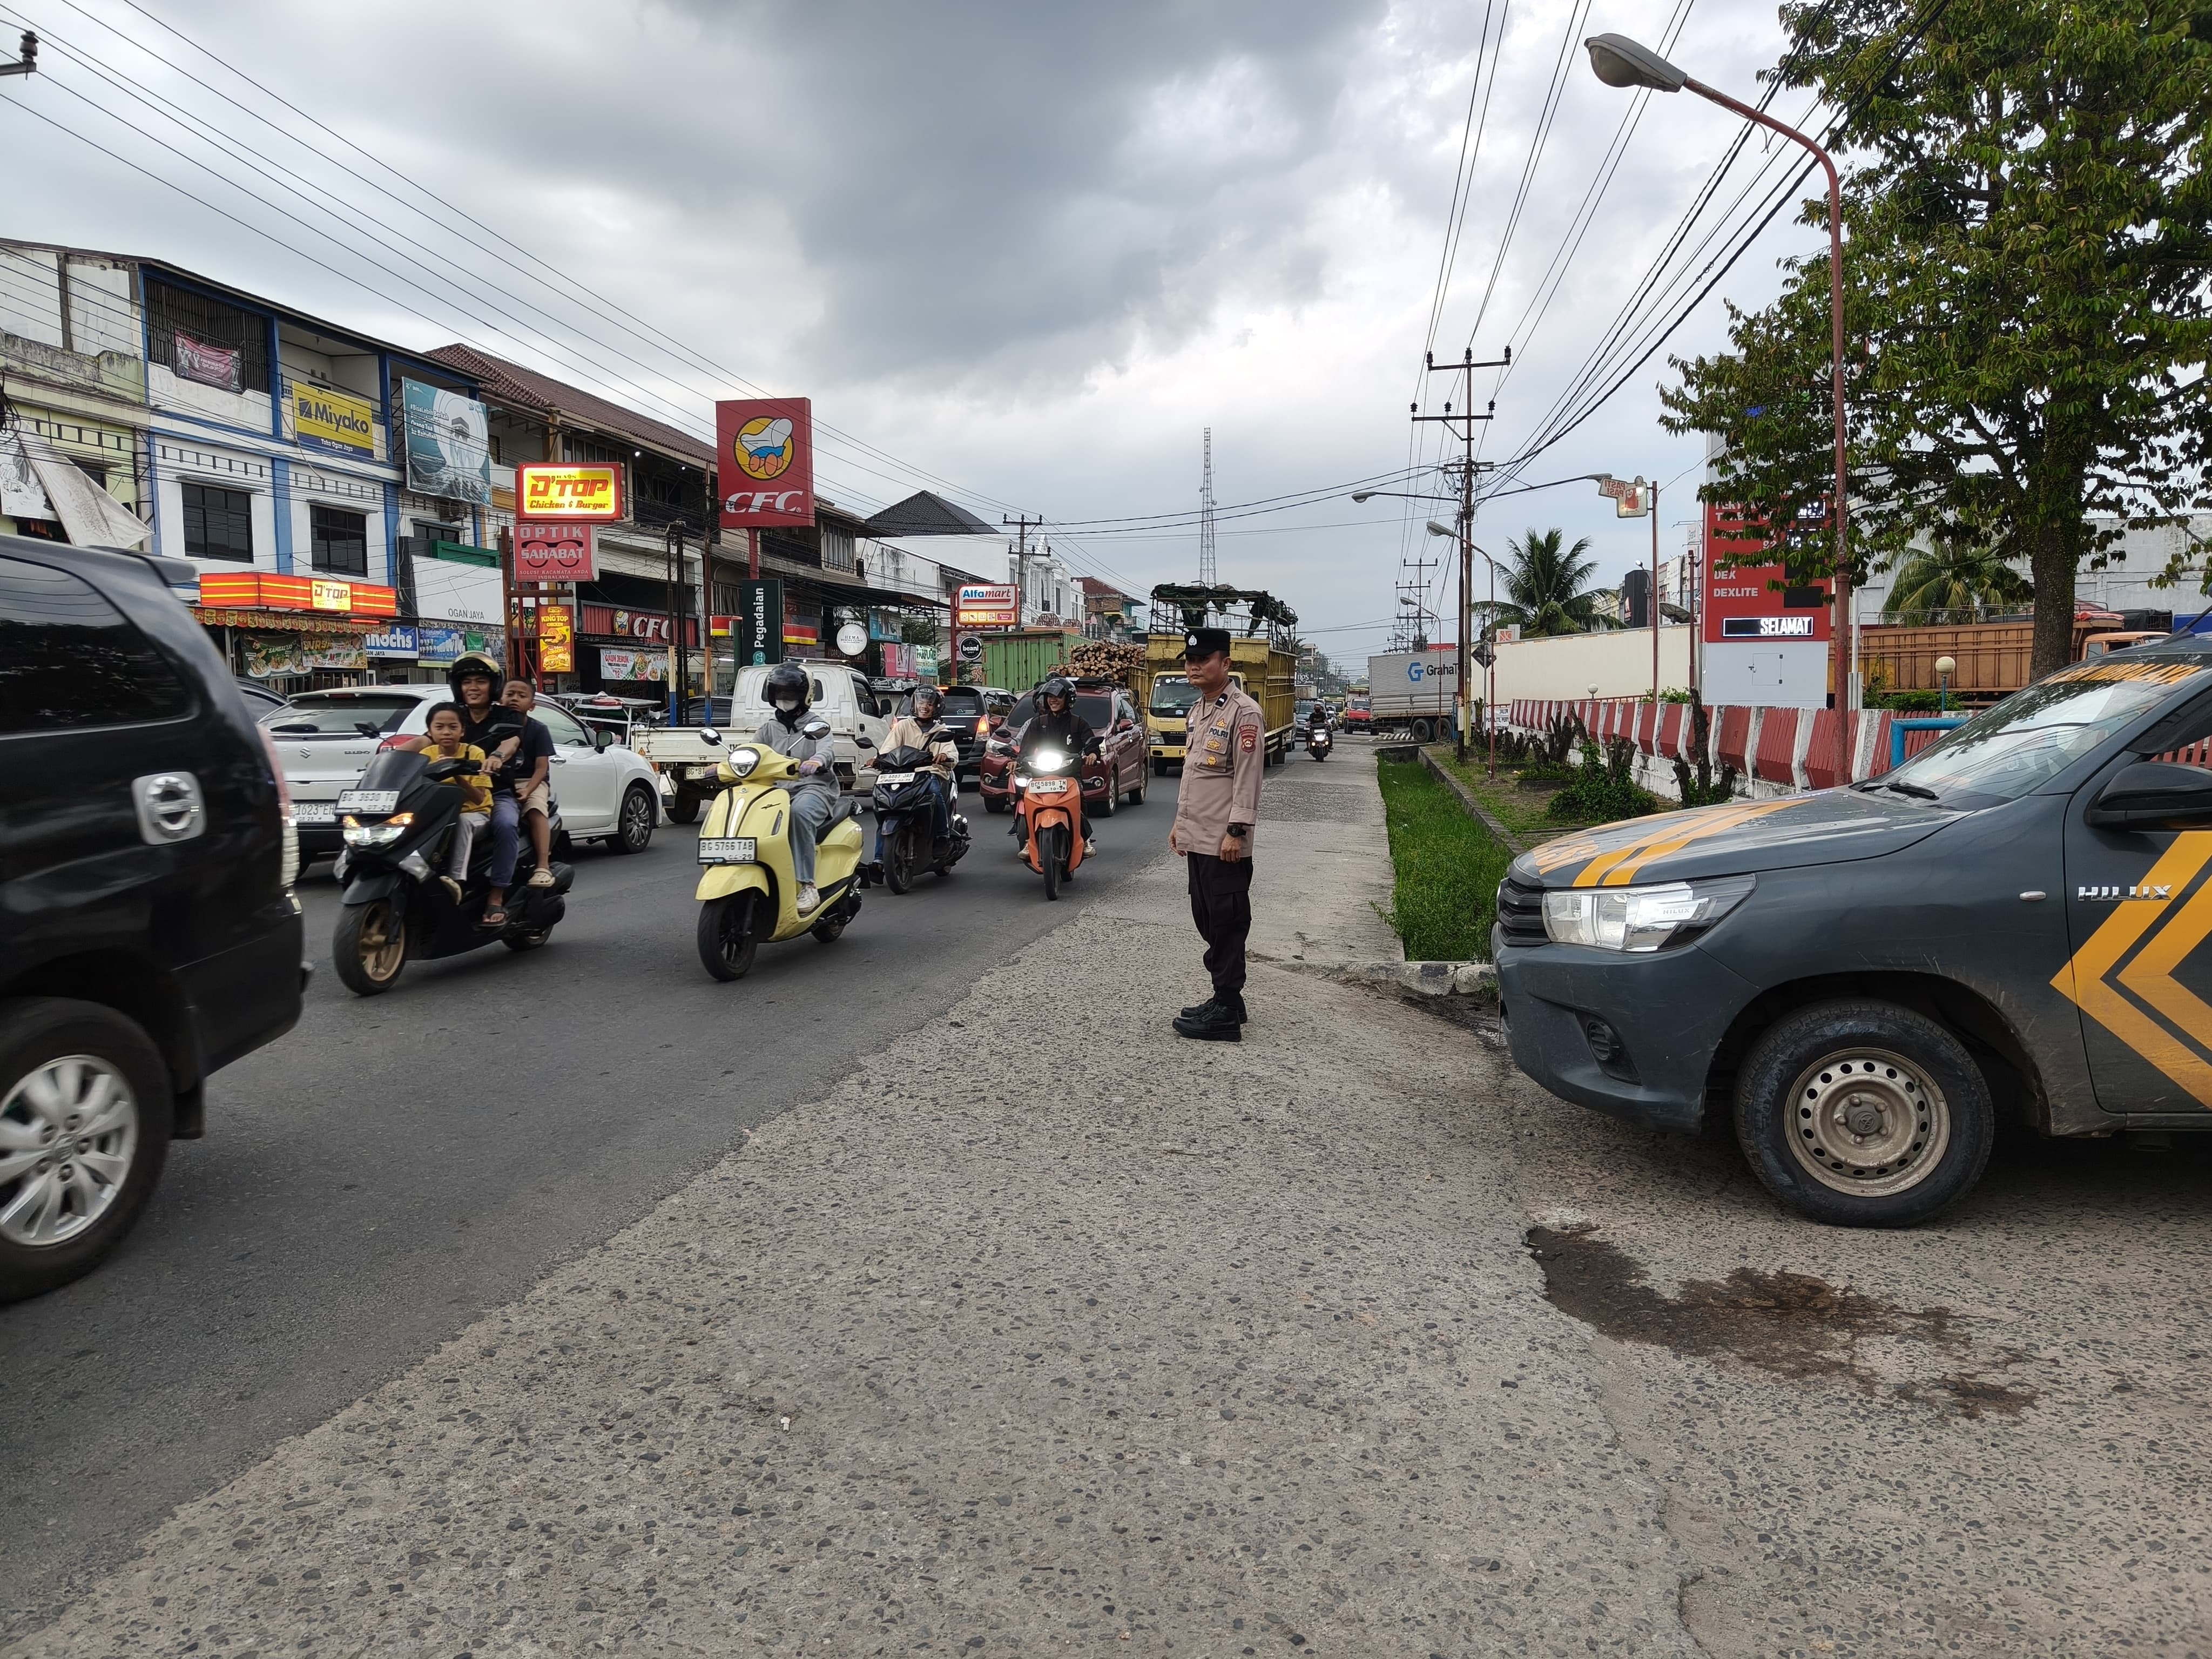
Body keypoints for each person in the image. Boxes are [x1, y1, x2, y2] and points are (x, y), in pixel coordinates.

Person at [1168, 629, 1264, 1041]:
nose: (1194, 666)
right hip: (1199, 836)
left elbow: (1248, 778)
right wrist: (1180, 824)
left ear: (1225, 663)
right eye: (1190, 660)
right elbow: (1194, 775)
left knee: (1227, 921)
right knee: (1207, 917)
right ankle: (1229, 1000)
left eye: (1203, 659)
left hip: (1225, 841)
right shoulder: (1199, 710)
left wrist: (1237, 832)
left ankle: (1225, 1009)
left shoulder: (1245, 713)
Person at [400, 653, 525, 926]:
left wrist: (497, 757)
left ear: (493, 685)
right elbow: (423, 741)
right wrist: (387, 757)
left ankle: (496, 897)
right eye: (467, 682)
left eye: (481, 681)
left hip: (494, 793)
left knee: (505, 825)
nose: (473, 687)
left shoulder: (507, 715)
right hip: (446, 797)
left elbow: (511, 742)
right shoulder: (452, 716)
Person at [754, 660, 839, 914]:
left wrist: (816, 761)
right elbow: (752, 753)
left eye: (790, 693)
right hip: (776, 790)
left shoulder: (817, 726)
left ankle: (807, 885)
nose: (784, 698)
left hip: (813, 788)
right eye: (779, 693)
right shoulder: (768, 728)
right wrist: (724, 765)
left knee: (799, 814)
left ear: (805, 695)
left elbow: (826, 750)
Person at [1014, 676, 1101, 858]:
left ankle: (1084, 839)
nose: (1053, 700)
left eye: (1058, 696)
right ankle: (1030, 840)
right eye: (1050, 697)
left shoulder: (1078, 723)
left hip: (1069, 773)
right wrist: (1017, 760)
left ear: (1068, 699)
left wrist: (1092, 754)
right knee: (1026, 798)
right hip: (1040, 772)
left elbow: (1090, 743)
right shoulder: (1038, 723)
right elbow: (1026, 747)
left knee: (1080, 799)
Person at [875, 682, 960, 865]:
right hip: (903, 774)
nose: (924, 707)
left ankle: (942, 836)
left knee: (935, 792)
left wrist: (945, 756)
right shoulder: (903, 726)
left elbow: (952, 753)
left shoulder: (941, 731)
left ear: (937, 707)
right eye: (921, 702)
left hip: (929, 774)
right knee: (885, 807)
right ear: (914, 704)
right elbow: (888, 749)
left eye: (930, 703)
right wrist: (877, 759)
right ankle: (879, 860)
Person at [418, 702, 491, 902]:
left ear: (462, 730)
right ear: (430, 731)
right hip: (440, 816)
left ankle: (456, 881)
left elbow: (479, 798)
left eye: (453, 727)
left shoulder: (475, 753)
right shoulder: (426, 755)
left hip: (475, 815)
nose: (446, 732)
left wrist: (454, 772)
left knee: (463, 821)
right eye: (439, 727)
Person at [500, 679, 559, 888]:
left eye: (522, 696)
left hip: (530, 781)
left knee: (535, 810)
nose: (515, 699)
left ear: (532, 706)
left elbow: (542, 768)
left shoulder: (538, 730)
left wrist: (528, 790)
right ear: (500, 699)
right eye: (510, 694)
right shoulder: (493, 727)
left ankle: (543, 866)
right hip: (498, 781)